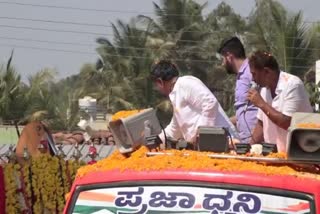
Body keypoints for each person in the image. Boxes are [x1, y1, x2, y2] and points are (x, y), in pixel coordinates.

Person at [150, 60, 238, 146]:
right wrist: (158, 140)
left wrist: (203, 134)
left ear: (160, 82)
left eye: (156, 85)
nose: (157, 89)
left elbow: (210, 103)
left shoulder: (185, 83)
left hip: (225, 143)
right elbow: (175, 128)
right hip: (209, 146)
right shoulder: (176, 93)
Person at [247, 51, 313, 152]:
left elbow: (286, 122)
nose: (252, 78)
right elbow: (261, 123)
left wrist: (261, 104)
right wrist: (248, 148)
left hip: (298, 155)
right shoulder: (265, 90)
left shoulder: (293, 85)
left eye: (254, 74)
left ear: (266, 72)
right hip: (273, 154)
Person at [218, 37, 258, 144]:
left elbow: (263, 105)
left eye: (223, 59)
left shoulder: (251, 71)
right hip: (246, 140)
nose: (222, 64)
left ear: (229, 56)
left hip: (256, 141)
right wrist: (222, 124)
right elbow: (245, 111)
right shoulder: (241, 76)